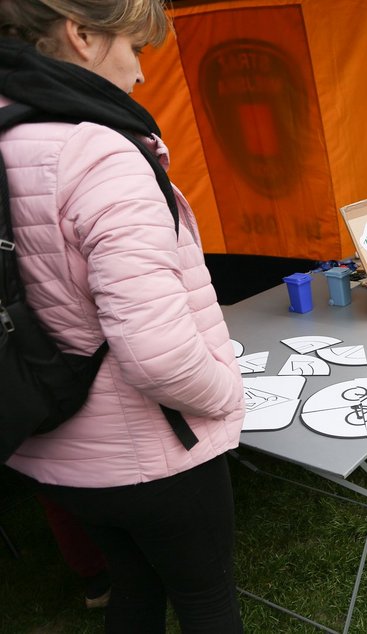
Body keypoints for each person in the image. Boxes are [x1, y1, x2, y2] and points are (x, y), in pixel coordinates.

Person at [0, 1, 246, 631]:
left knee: (134, 586)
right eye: (135, 49)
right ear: (81, 36)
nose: (140, 74)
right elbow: (159, 354)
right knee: (205, 598)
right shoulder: (97, 155)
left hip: (49, 446)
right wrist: (226, 392)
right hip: (153, 454)